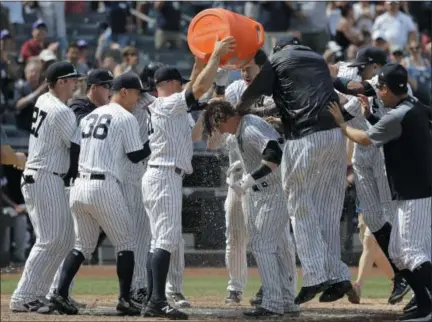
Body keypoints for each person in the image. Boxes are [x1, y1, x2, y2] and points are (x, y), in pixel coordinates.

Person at [236, 35, 356, 304]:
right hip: (334, 138)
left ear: (279, 48)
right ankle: (338, 275)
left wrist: (239, 109)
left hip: (304, 138)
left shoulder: (277, 59)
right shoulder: (317, 60)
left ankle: (314, 276)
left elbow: (253, 92)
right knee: (326, 211)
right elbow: (305, 96)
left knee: (299, 205)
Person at [141, 36, 236, 319]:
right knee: (166, 240)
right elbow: (198, 89)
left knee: (159, 240)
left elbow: (193, 133)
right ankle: (157, 301)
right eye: (178, 82)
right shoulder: (166, 104)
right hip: (163, 175)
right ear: (169, 84)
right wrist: (216, 57)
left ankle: (151, 300)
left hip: (163, 174)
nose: (182, 85)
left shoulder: (171, 109)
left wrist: (199, 61)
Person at [329, 63, 432, 322]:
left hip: (416, 194)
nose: (379, 92)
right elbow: (392, 131)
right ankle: (423, 302)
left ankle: (427, 305)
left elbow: (364, 139)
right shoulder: (412, 107)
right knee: (397, 251)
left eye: (380, 88)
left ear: (387, 88)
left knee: (411, 253)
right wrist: (370, 115)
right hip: (410, 192)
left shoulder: (398, 114)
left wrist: (342, 124)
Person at [50, 72, 150, 315]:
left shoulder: (90, 116)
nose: (138, 99)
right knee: (126, 243)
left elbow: (74, 146)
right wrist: (156, 140)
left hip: (79, 186)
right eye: (137, 93)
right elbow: (135, 156)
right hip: (103, 186)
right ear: (123, 92)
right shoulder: (124, 117)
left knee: (82, 245)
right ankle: (125, 299)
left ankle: (59, 294)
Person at [202, 100, 297, 317]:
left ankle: (273, 302)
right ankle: (286, 300)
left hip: (274, 191)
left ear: (222, 118)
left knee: (262, 244)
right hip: (267, 192)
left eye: (217, 125)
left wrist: (247, 180)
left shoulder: (250, 126)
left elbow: (274, 154)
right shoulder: (243, 128)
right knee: (278, 246)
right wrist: (244, 170)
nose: (218, 130)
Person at [335, 47, 411, 304]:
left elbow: (353, 95)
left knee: (391, 216)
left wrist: (324, 77)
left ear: (377, 67)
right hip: (362, 152)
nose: (361, 70)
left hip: (384, 153)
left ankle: (407, 274)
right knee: (372, 217)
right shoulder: (373, 86)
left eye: (365, 66)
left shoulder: (396, 89)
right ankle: (400, 273)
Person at [9, 61, 81, 313]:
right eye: (72, 79)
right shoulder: (61, 111)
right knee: (50, 240)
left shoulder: (44, 101)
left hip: (45, 176)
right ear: (60, 82)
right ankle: (23, 296)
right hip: (44, 176)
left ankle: (40, 294)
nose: (75, 84)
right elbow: (77, 147)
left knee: (62, 240)